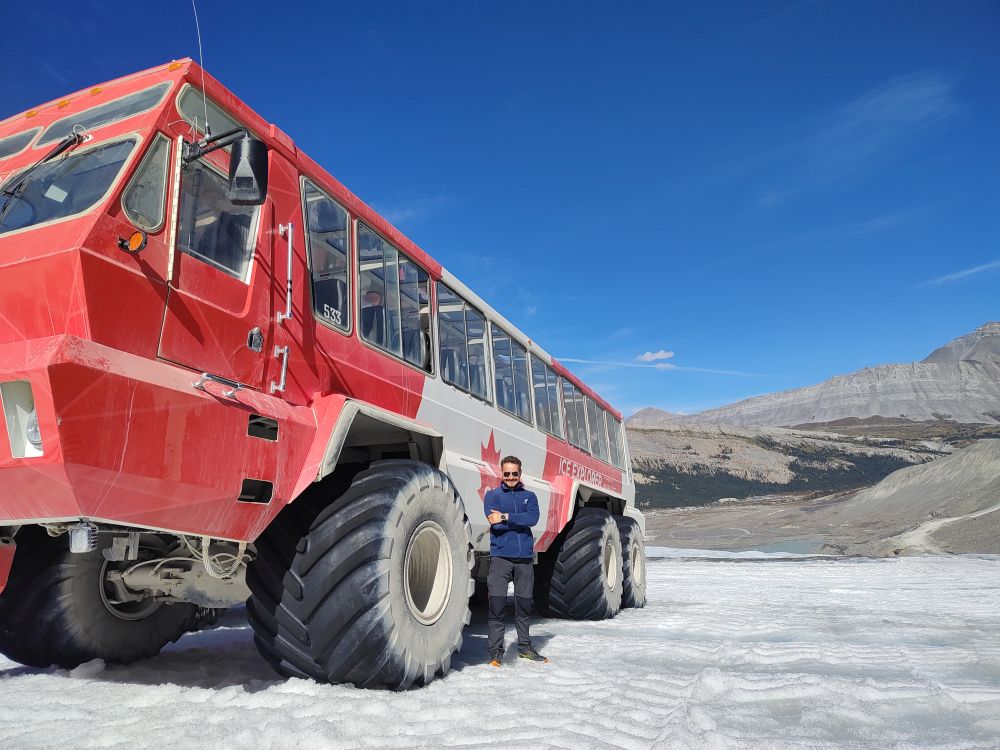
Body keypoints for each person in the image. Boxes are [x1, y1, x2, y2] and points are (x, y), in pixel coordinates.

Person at [484, 455, 548, 666]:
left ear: (520, 474)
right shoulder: (492, 496)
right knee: (497, 606)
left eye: (514, 473)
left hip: (524, 560)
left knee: (523, 606)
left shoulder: (530, 496)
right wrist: (510, 520)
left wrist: (506, 516)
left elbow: (533, 519)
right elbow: (496, 526)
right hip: (501, 558)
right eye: (507, 473)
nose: (511, 477)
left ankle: (525, 648)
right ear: (501, 473)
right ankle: (496, 654)